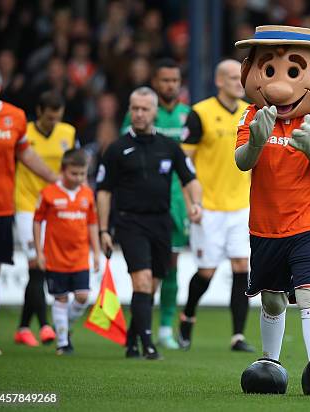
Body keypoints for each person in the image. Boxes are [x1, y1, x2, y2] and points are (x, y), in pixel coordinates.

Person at [234, 25, 310, 395]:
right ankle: (270, 365)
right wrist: (255, 140)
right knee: (272, 298)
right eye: (268, 71)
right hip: (266, 226)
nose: (279, 85)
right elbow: (241, 161)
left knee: (309, 293)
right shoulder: (252, 113)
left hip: (309, 221)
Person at [96, 87, 202, 360]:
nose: (139, 114)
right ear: (129, 110)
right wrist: (103, 229)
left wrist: (195, 204)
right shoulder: (117, 149)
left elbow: (190, 178)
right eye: (135, 108)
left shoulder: (169, 146)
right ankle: (147, 344)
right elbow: (104, 191)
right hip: (130, 223)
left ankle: (131, 341)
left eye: (145, 109)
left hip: (161, 223)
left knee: (151, 286)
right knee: (141, 282)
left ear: (155, 112)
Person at [179, 60, 253, 352]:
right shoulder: (200, 113)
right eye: (233, 78)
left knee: (241, 267)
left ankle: (238, 336)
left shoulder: (251, 112)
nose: (239, 82)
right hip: (208, 206)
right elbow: (184, 161)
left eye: (241, 78)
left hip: (240, 205)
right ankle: (189, 316)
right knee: (206, 272)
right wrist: (190, 202)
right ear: (219, 81)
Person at [122, 58, 191, 350]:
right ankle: (141, 328)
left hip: (177, 202)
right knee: (146, 271)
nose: (170, 85)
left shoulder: (189, 116)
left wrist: (193, 199)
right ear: (155, 82)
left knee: (170, 266)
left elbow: (192, 162)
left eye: (175, 80)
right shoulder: (141, 114)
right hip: (146, 203)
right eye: (165, 80)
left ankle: (164, 327)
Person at [0, 64, 57, 356]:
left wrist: (56, 180)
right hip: (9, 206)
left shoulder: (14, 117)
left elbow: (25, 153)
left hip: (1, 206)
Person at [14, 91, 77, 348]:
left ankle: (23, 328)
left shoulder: (68, 133)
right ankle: (45, 325)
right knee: (37, 265)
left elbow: (75, 164)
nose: (53, 123)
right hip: (27, 204)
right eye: (49, 118)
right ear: (39, 112)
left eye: (57, 118)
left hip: (54, 207)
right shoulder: (24, 132)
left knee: (40, 269)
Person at [33, 149, 100, 355]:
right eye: (74, 173)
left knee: (82, 296)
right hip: (55, 256)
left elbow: (92, 224)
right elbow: (37, 222)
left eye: (82, 174)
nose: (79, 178)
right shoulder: (49, 193)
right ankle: (63, 342)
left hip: (79, 256)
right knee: (60, 298)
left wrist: (96, 252)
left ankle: (63, 325)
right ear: (63, 170)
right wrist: (39, 252)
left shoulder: (87, 194)